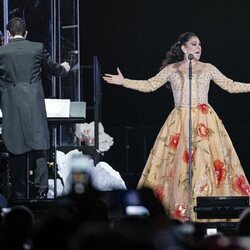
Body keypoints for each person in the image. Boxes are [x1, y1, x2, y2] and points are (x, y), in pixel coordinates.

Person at [103, 32, 250, 221]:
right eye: (194, 44)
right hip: (180, 121)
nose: (199, 48)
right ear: (183, 48)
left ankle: (207, 209)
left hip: (205, 121)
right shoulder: (172, 70)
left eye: (200, 45)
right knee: (179, 165)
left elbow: (230, 85)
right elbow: (150, 85)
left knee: (206, 163)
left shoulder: (208, 68)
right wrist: (124, 82)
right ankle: (179, 210)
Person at [0, 17, 70, 199]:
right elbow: (55, 70)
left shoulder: (2, 52)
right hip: (33, 104)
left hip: (12, 105)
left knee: (15, 146)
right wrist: (66, 67)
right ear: (26, 33)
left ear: (8, 34)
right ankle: (41, 192)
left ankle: (19, 194)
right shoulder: (37, 48)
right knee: (38, 144)